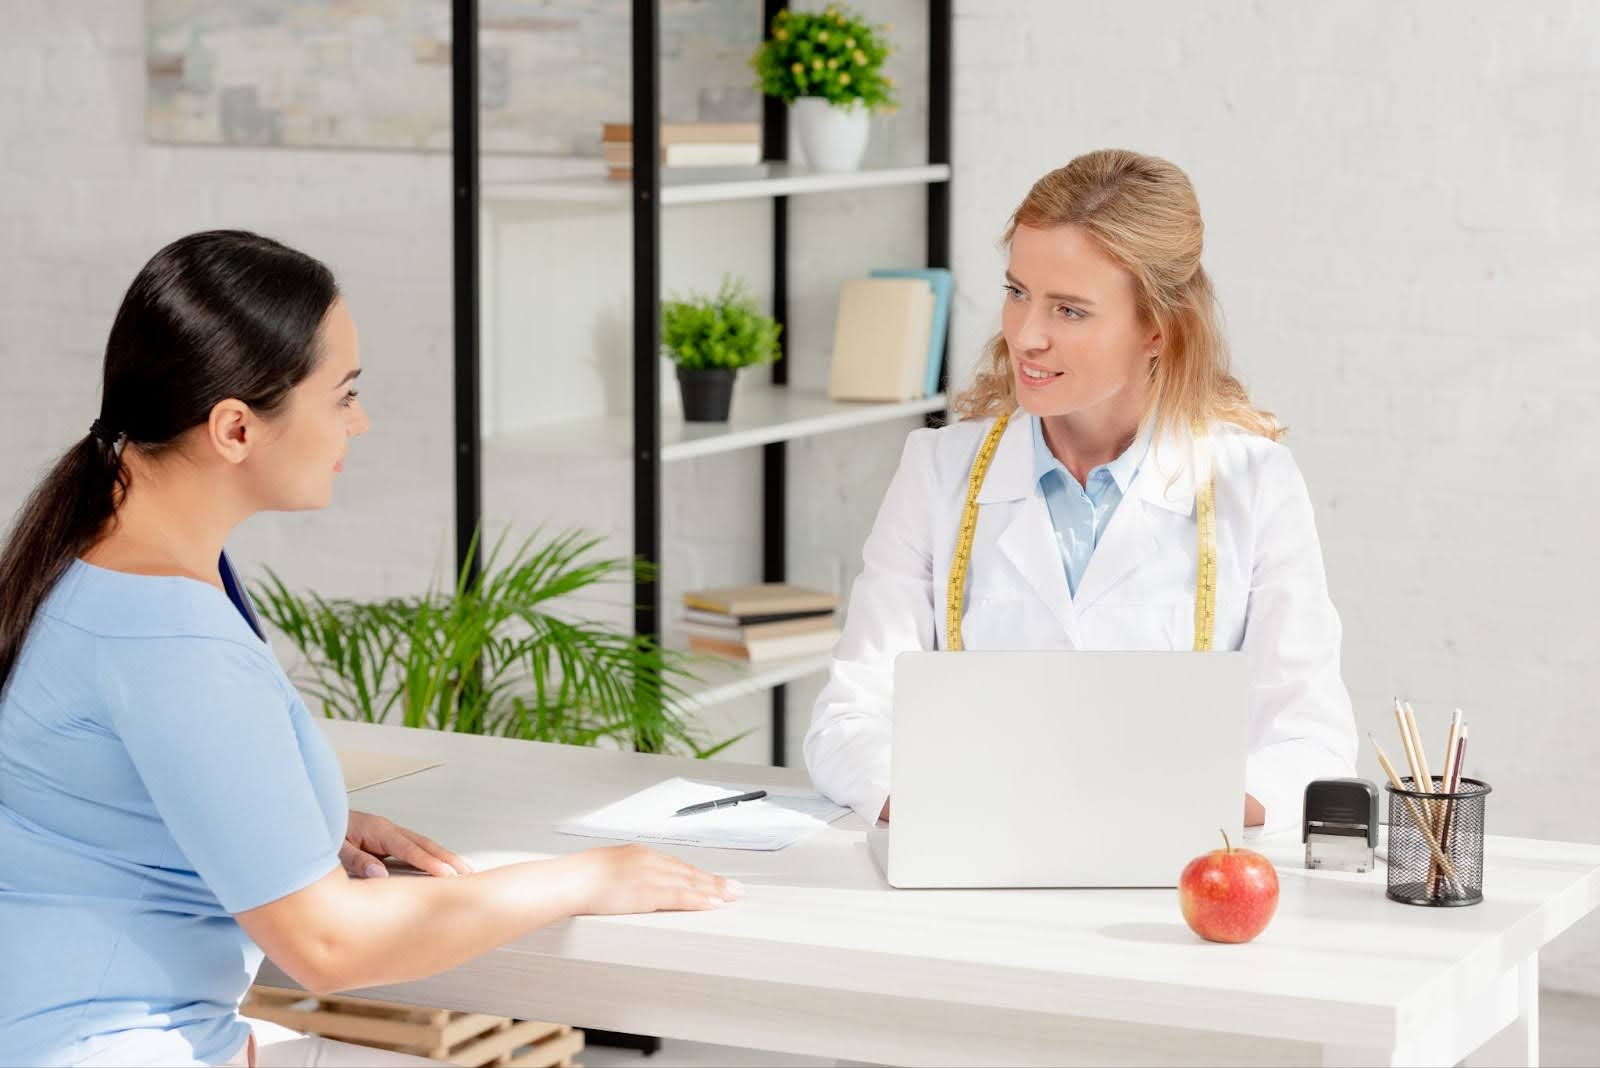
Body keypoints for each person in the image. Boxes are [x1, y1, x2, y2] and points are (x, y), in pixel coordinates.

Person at [0, 231, 740, 1068]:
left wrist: (298, 822)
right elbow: (327, 943)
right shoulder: (172, 636)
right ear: (236, 428)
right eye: (342, 395)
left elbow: (109, 802)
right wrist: (585, 878)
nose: (361, 420)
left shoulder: (89, 560)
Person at [805, 149, 1358, 834]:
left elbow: (1310, 741)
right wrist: (944, 805)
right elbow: (849, 716)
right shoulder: (936, 469)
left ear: (1160, 329)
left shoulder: (1255, 485)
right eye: (1016, 294)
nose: (1025, 337)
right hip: (977, 859)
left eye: (1068, 310)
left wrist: (1148, 811)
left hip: (1173, 885)